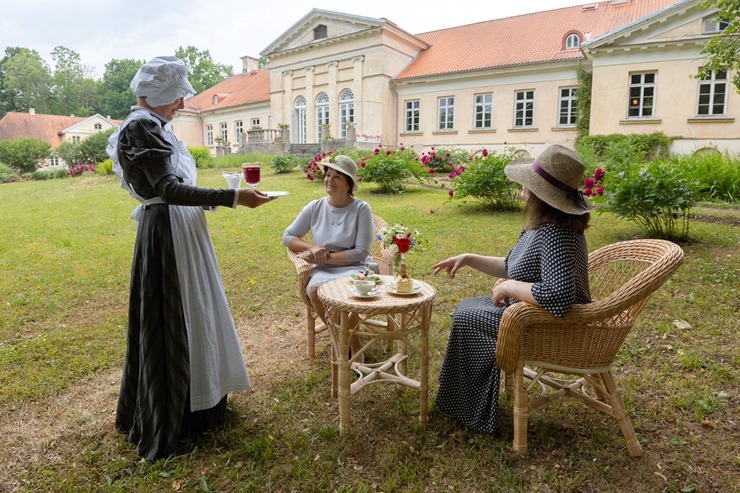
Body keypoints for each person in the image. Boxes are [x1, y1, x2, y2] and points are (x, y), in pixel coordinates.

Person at [106, 56, 274, 460]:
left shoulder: (154, 127)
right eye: (176, 97)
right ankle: (178, 413)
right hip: (167, 235)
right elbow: (167, 189)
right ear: (158, 95)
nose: (182, 104)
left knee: (195, 314)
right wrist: (232, 197)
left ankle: (204, 403)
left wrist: (219, 199)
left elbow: (173, 187)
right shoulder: (141, 127)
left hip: (180, 230)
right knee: (174, 320)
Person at [431, 144, 592, 434]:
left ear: (543, 195)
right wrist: (467, 258)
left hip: (551, 326)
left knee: (467, 316)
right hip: (531, 315)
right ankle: (462, 401)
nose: (522, 192)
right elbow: (510, 265)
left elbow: (558, 296)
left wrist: (510, 287)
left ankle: (469, 408)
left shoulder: (556, 233)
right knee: (467, 308)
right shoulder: (541, 225)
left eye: (528, 187)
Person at [282, 155, 374, 358]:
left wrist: (325, 257)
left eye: (337, 177)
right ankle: (343, 339)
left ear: (349, 183)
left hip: (354, 266)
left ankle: (353, 343)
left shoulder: (361, 209)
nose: (329, 180)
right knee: (315, 291)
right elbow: (288, 236)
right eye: (328, 175)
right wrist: (313, 247)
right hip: (322, 269)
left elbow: (361, 252)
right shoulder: (315, 207)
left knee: (350, 292)